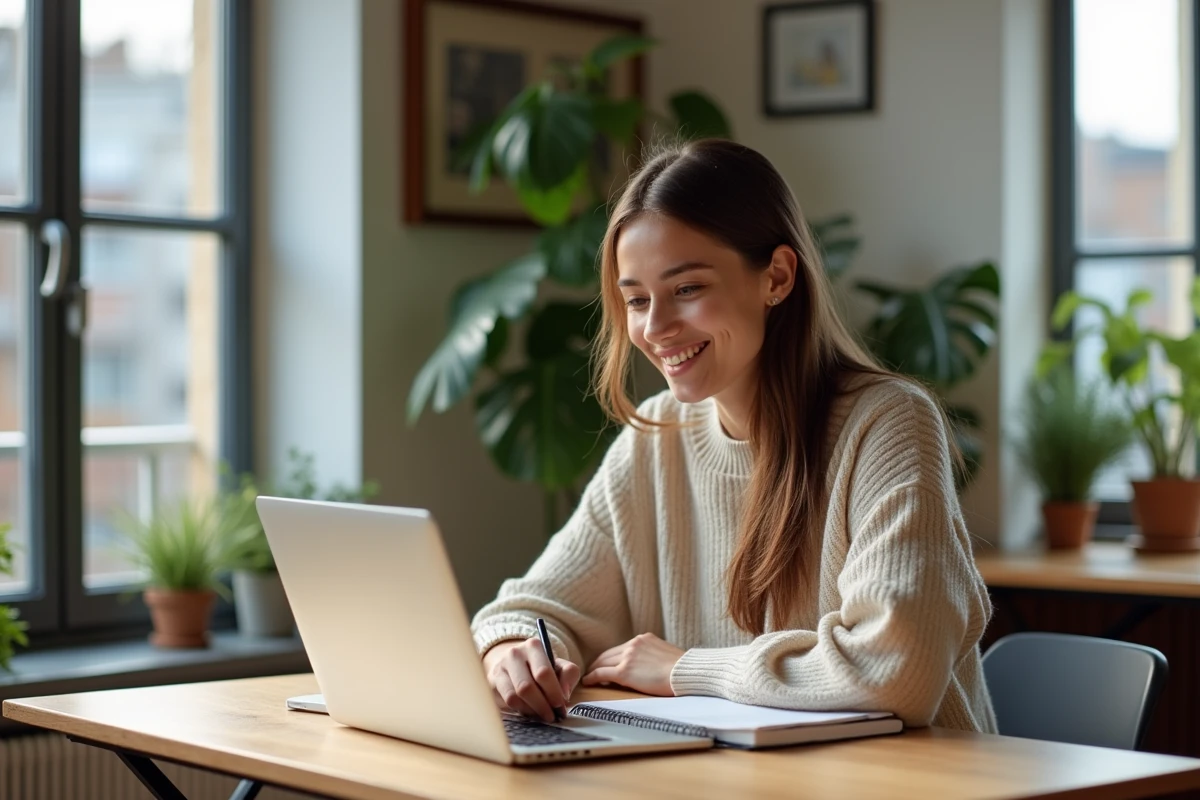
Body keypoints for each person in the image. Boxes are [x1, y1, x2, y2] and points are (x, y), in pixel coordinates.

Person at [470, 139, 997, 733]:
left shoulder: (888, 425)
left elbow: (898, 670)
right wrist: (511, 651)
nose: (655, 328)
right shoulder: (657, 437)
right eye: (636, 299)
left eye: (687, 290)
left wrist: (686, 670)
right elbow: (532, 608)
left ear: (776, 277)